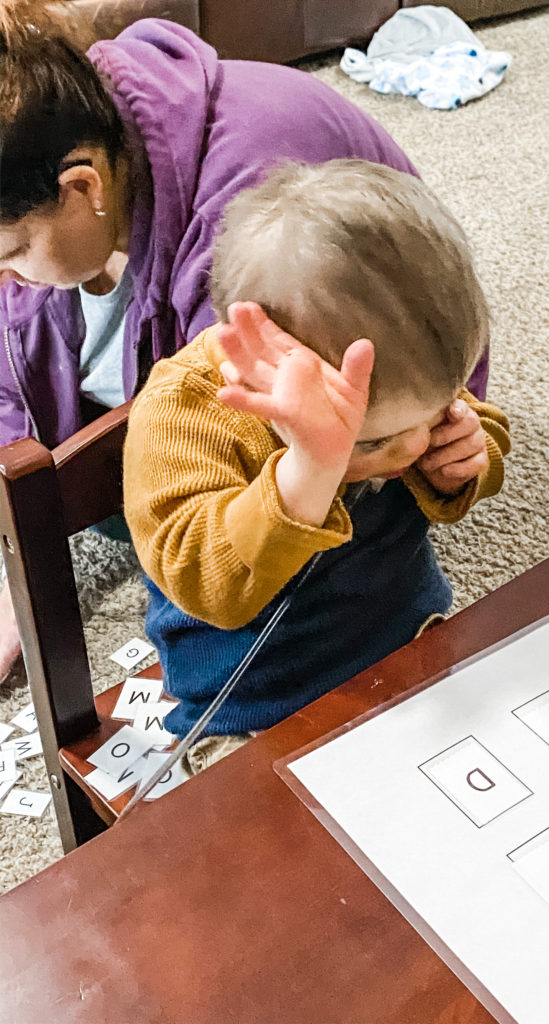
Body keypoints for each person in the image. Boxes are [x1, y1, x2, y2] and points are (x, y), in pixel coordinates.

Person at [0, 4, 487, 681]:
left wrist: (460, 442)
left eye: (15, 249)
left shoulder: (267, 247)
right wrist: (17, 536)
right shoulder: (189, 394)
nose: (8, 275)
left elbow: (443, 403)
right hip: (245, 675)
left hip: (382, 409)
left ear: (83, 187)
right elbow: (202, 567)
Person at [123, 159, 510, 771]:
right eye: (373, 442)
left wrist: (467, 453)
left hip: (407, 635)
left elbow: (464, 430)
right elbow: (204, 584)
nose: (412, 447)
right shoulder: (184, 412)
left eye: (433, 412)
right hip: (256, 702)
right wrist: (308, 470)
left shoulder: (397, 380)